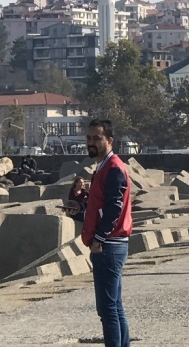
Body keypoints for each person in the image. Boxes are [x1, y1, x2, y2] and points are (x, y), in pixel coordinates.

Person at [63, 119, 133, 347]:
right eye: (88, 138)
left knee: (108, 309)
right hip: (110, 243)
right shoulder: (102, 167)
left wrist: (99, 239)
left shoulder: (113, 168)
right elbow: (101, 206)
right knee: (115, 306)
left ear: (109, 140)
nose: (91, 142)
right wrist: (81, 211)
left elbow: (115, 208)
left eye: (97, 138)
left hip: (109, 245)